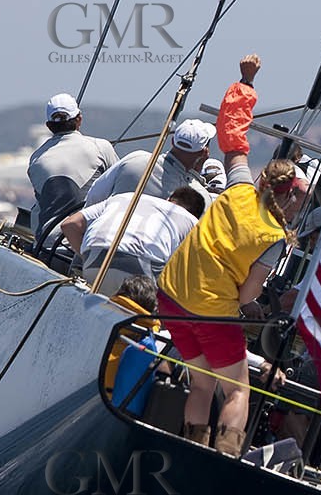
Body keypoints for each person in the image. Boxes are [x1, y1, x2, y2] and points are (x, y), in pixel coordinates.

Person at [156, 55, 308, 457]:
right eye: (301, 199)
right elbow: (243, 299)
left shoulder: (239, 187)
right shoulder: (273, 236)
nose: (299, 208)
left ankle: (191, 446)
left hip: (170, 297)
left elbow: (232, 137)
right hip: (210, 311)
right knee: (237, 390)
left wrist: (245, 82)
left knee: (202, 383)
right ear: (288, 196)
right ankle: (222, 457)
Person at [58, 185, 207, 282]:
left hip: (93, 262)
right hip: (140, 273)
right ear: (195, 214)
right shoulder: (191, 222)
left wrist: (87, 259)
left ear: (168, 199)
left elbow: (70, 225)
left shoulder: (126, 196)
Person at [84, 119, 216, 206]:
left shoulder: (135, 159)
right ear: (205, 152)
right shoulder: (195, 194)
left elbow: (94, 196)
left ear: (172, 142)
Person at [27, 93, 118, 212]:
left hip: (47, 229)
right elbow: (120, 186)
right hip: (88, 228)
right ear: (79, 119)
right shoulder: (100, 147)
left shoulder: (35, 159)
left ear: (49, 126)